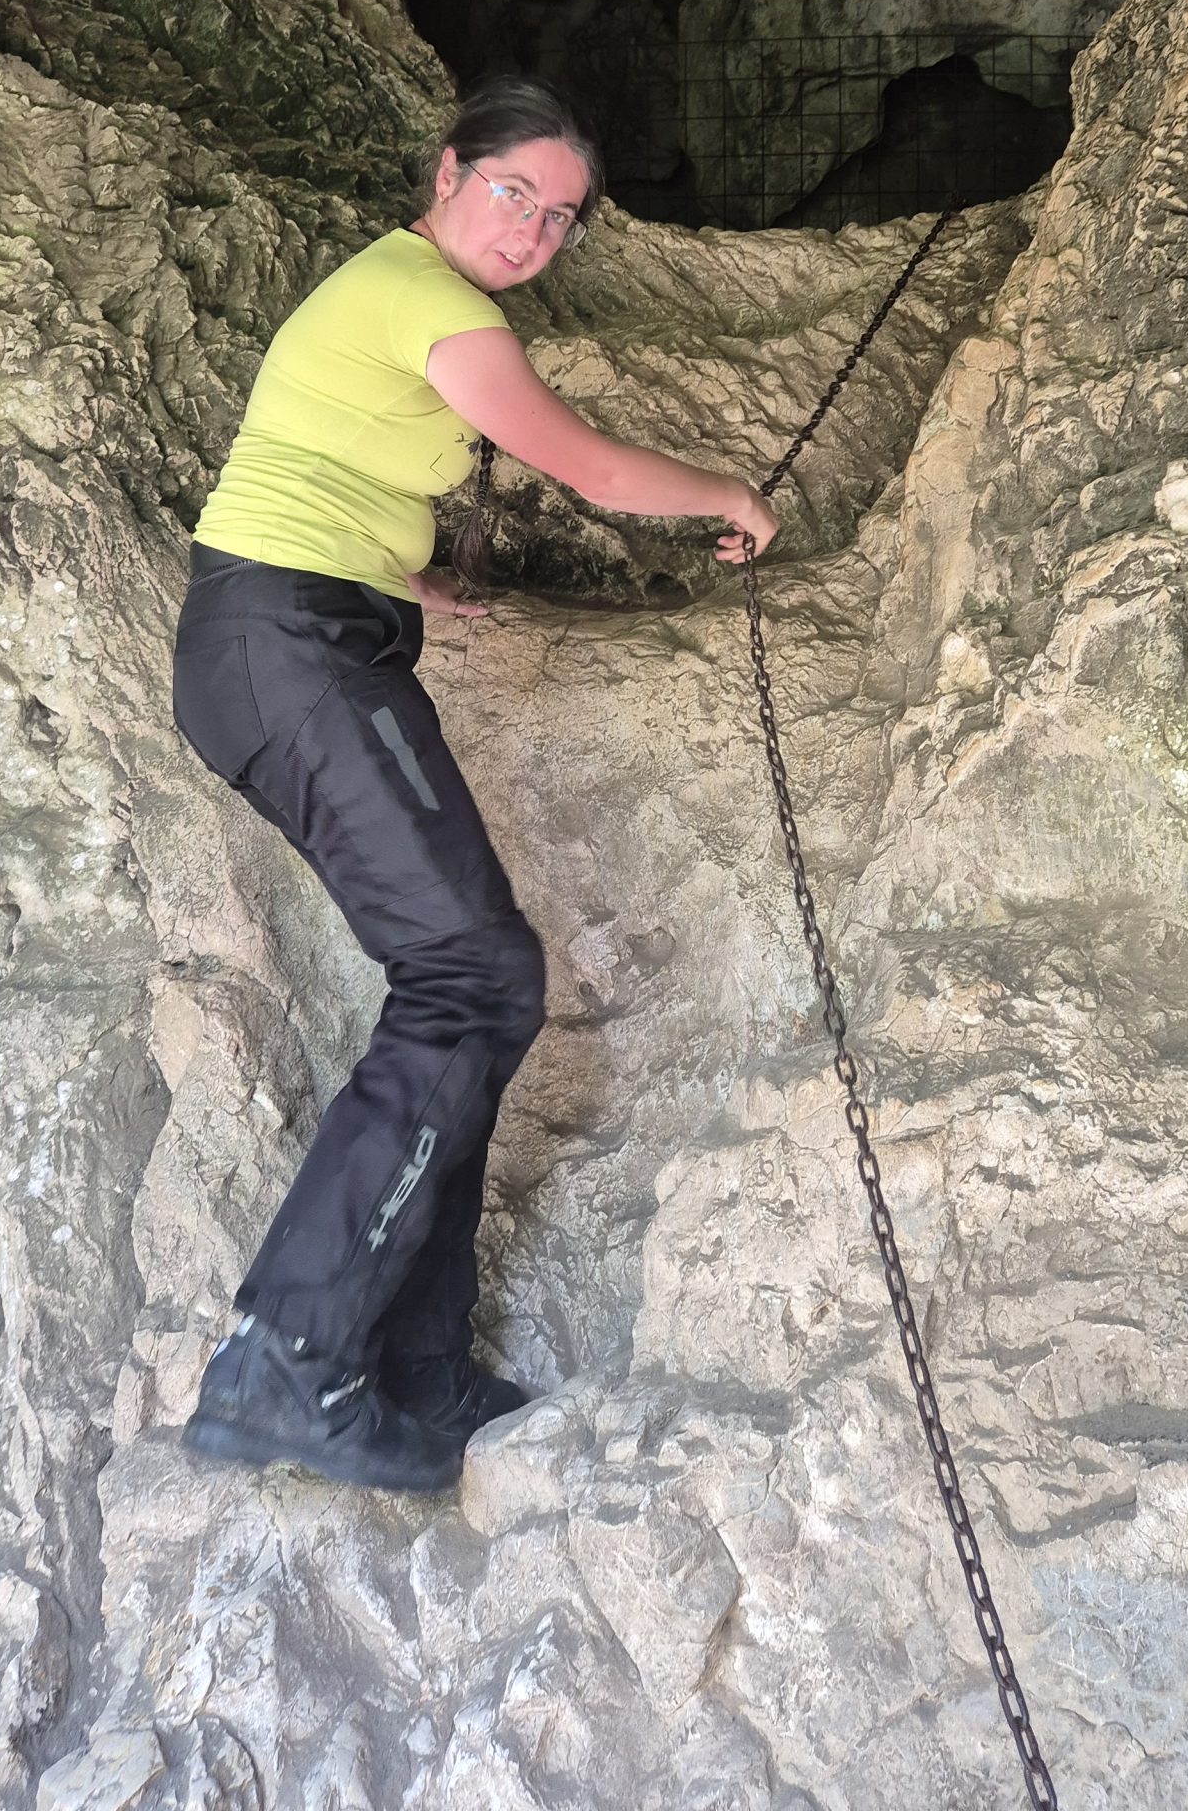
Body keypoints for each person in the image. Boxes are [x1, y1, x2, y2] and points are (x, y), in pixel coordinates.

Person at [171, 78, 777, 1492]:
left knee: (467, 983)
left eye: (562, 219)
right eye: (517, 195)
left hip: (297, 630)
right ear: (448, 173)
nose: (534, 233)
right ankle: (287, 1362)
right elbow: (588, 466)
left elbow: (323, 463)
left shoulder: (402, 300)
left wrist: (412, 576)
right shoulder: (425, 298)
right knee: (474, 975)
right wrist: (729, 494)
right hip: (289, 639)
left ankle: (418, 1373)